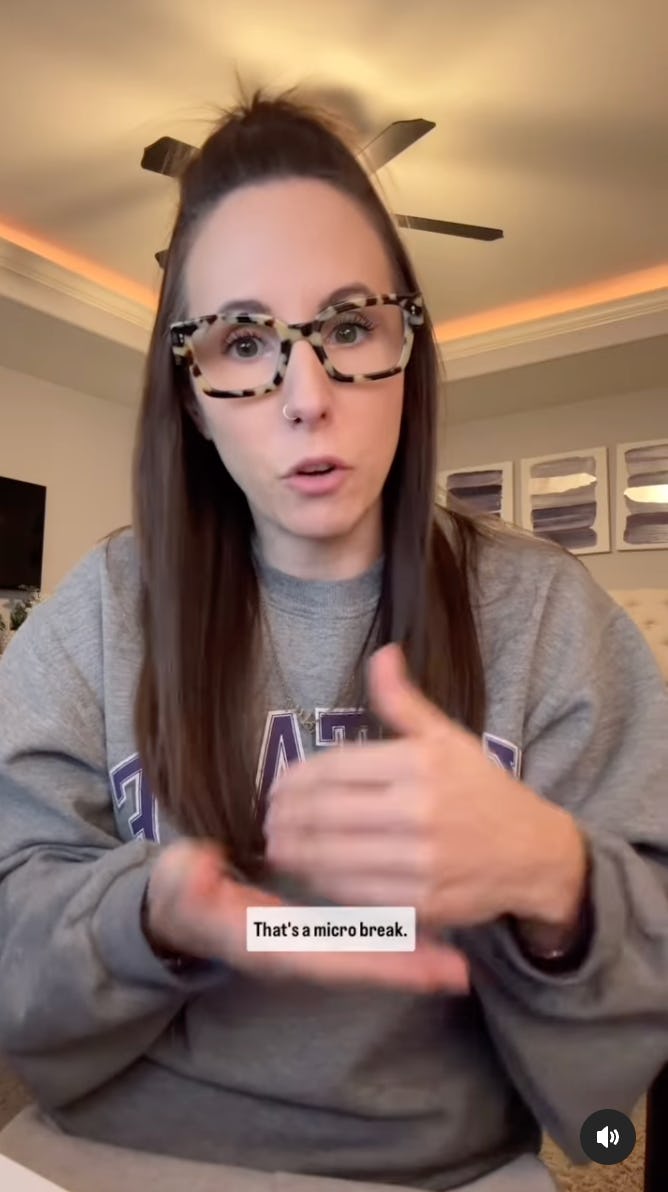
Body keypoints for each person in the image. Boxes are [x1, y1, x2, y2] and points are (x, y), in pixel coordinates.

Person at [0, 91, 666, 1192]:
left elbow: (633, 1021)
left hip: (434, 1169)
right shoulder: (101, 609)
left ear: (409, 352)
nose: (304, 396)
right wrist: (153, 909)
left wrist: (560, 884)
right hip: (105, 1155)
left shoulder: (547, 617)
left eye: (349, 325)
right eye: (245, 341)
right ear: (193, 397)